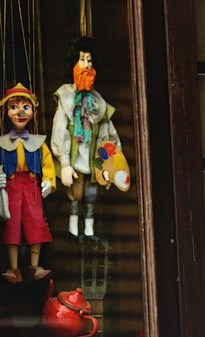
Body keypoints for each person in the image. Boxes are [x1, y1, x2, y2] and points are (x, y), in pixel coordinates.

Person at [50, 36, 125, 238]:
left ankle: (89, 229)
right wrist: (64, 163)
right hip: (74, 156)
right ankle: (73, 227)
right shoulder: (66, 97)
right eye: (82, 60)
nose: (86, 65)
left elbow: (108, 134)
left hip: (92, 156)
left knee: (92, 193)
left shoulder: (98, 103)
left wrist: (111, 165)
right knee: (76, 193)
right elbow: (59, 130)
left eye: (89, 60)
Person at [0, 83, 54, 282]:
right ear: (6, 112)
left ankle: (35, 265)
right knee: (12, 225)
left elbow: (48, 163)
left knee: (35, 222)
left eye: (26, 107)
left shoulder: (38, 143)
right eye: (14, 107)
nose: (20, 112)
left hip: (32, 186)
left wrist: (48, 180)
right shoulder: (2, 143)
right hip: (12, 186)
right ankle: (14, 268)